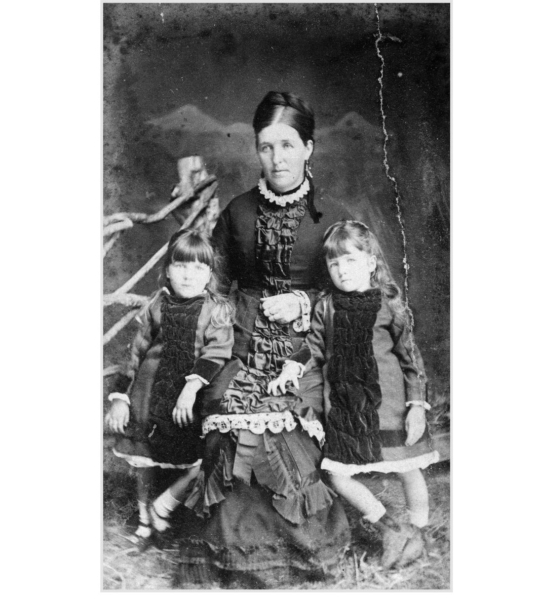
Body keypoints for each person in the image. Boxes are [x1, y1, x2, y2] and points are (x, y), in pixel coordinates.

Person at [175, 92, 354, 588]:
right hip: (242, 343)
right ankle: (230, 557)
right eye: (266, 146)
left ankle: (298, 553)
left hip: (307, 350)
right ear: (257, 150)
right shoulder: (238, 212)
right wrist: (226, 314)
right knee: (224, 418)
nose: (277, 158)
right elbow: (213, 279)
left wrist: (304, 303)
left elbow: (363, 292)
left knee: (285, 430)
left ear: (309, 149)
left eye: (288, 145)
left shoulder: (332, 215)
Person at [268, 220, 441, 569]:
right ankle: (391, 526)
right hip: (347, 409)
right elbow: (313, 347)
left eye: (350, 261)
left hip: (390, 408)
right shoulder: (326, 307)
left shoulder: (388, 304)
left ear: (371, 263)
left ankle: (419, 531)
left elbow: (411, 359)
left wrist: (416, 406)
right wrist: (291, 367)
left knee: (408, 470)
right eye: (334, 264)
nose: (342, 270)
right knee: (337, 474)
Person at [105, 228, 234, 548]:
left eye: (198, 268)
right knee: (144, 462)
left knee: (198, 460)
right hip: (147, 397)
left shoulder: (215, 310)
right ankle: (146, 524)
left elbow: (217, 351)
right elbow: (134, 353)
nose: (188, 275)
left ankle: (163, 507)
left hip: (185, 400)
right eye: (180, 266)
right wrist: (120, 399)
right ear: (167, 270)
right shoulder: (157, 305)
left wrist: (191, 389)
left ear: (209, 273)